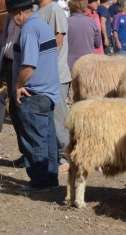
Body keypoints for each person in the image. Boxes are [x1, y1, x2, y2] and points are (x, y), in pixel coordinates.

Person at [6, 0, 60, 190]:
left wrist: (18, 84)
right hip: (48, 92)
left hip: (33, 93)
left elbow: (29, 65)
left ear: (19, 12)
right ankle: (51, 179)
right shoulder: (42, 25)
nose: (12, 20)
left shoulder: (29, 29)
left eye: (12, 15)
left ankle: (39, 183)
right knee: (48, 140)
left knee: (34, 141)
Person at [38, 0, 71, 170]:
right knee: (50, 118)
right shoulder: (38, 10)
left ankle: (69, 157)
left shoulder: (55, 10)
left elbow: (59, 40)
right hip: (45, 74)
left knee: (59, 119)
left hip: (56, 73)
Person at [67, 0, 102, 69]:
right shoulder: (91, 22)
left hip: (70, 64)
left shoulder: (65, 22)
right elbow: (98, 43)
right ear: (84, 7)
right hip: (88, 63)